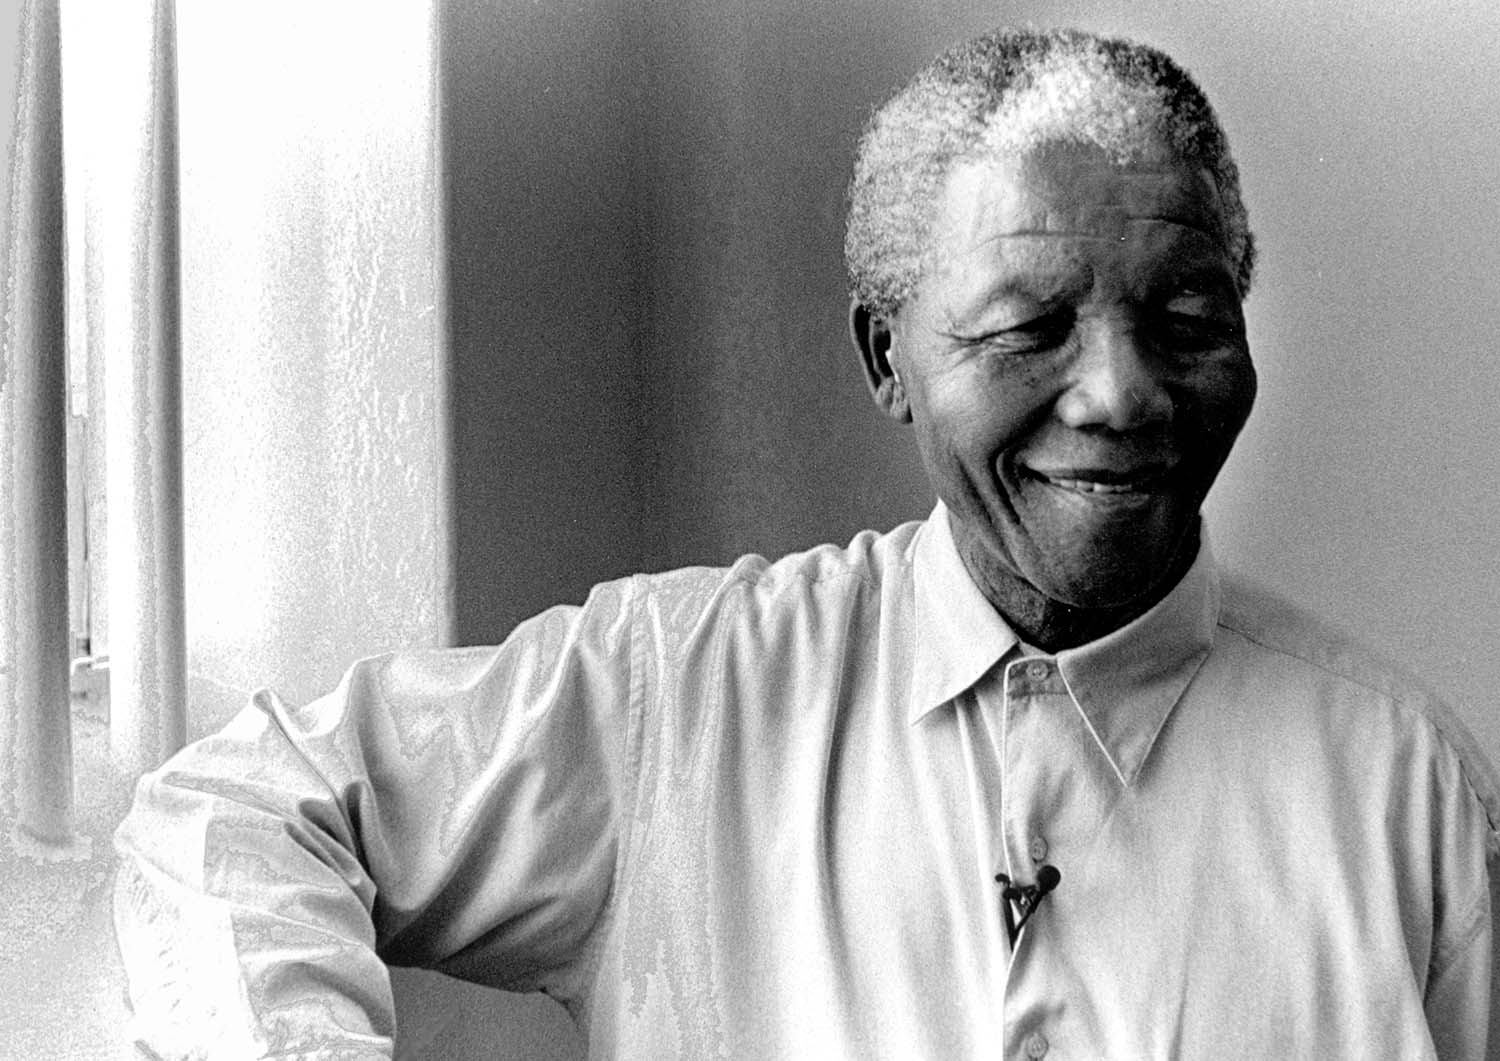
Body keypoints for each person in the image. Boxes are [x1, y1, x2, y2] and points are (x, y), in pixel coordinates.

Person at [113, 26, 1500, 1059]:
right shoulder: (681, 696)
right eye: (1029, 327)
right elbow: (236, 805)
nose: (1123, 393)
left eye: (1188, 319)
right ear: (888, 358)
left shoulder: (1408, 787)